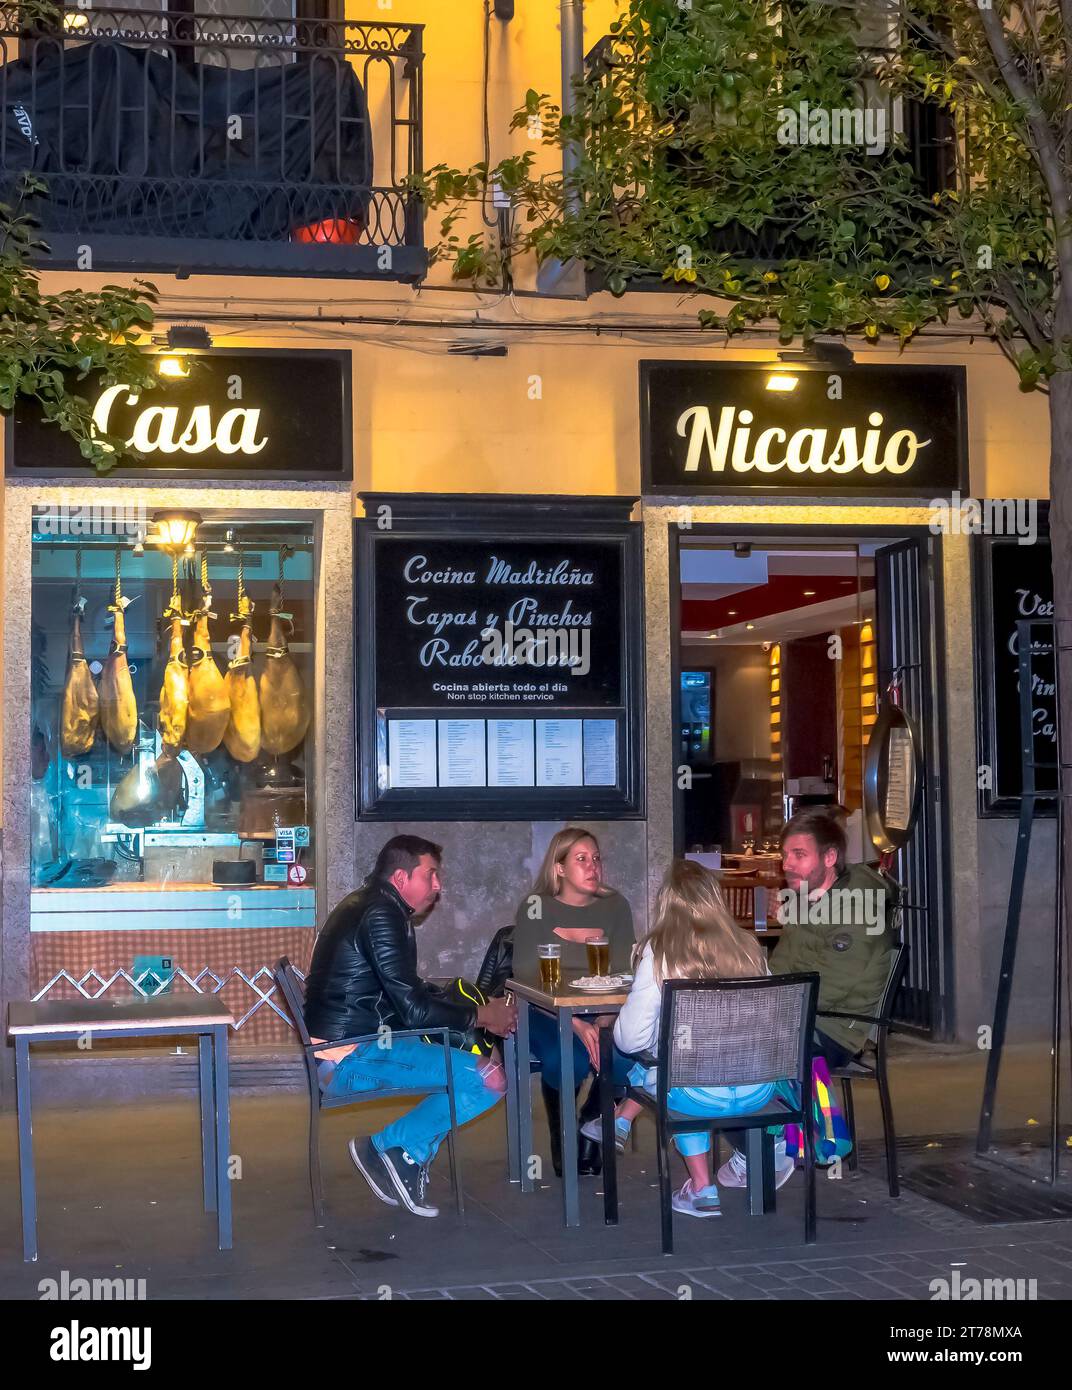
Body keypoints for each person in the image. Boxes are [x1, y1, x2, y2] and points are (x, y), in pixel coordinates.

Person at [303, 835, 517, 1219]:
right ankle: (389, 1149)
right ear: (401, 878)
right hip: (350, 1057)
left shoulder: (371, 904)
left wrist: (472, 1009)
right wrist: (484, 1017)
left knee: (475, 1063)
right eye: (430, 875)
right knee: (489, 1080)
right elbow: (414, 1011)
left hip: (355, 1044)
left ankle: (403, 1155)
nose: (438, 886)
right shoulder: (382, 915)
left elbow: (409, 994)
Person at [716, 806, 896, 1190]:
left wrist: (763, 1008)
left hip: (831, 1027)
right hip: (794, 1013)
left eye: (800, 855)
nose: (788, 865)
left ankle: (774, 1141)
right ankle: (772, 1137)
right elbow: (785, 968)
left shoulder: (859, 909)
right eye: (785, 856)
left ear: (830, 858)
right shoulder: (809, 899)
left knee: (726, 1051)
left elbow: (831, 986)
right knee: (703, 1041)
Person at [608, 858, 785, 1218]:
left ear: (666, 902)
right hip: (759, 1090)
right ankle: (620, 1122)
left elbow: (628, 1041)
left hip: (698, 1094)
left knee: (675, 1068)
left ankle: (703, 1189)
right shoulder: (749, 947)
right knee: (683, 1064)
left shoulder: (660, 954)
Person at [512, 827, 635, 1176]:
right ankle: (564, 1141)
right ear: (559, 868)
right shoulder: (536, 906)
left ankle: (592, 1125)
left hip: (604, 1010)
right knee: (568, 1059)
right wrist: (576, 1023)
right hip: (545, 1010)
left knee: (626, 1056)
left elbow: (625, 968)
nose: (592, 866)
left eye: (596, 859)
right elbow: (525, 970)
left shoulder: (615, 905)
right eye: (581, 859)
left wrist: (603, 1020)